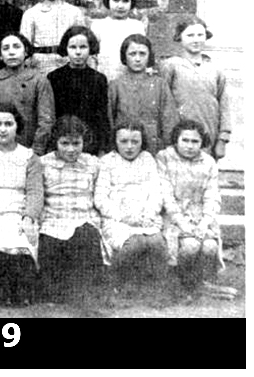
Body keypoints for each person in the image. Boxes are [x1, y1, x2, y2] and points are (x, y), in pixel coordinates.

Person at [94, 120, 182, 298]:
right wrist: (123, 216)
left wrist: (150, 212)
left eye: (135, 142)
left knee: (157, 243)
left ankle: (157, 288)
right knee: (134, 244)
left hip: (145, 216)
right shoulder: (107, 162)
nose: (129, 147)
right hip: (118, 219)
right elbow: (100, 198)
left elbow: (156, 192)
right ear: (115, 141)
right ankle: (117, 282)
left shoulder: (147, 159)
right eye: (124, 141)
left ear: (142, 142)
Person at [0, 104, 43, 305]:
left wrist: (29, 218)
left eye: (8, 124)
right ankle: (0, 290)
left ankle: (21, 291)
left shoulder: (30, 157)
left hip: (20, 214)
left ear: (17, 127)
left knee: (22, 247)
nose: (3, 129)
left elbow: (34, 191)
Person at [38, 116, 105, 305]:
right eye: (64, 143)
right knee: (51, 243)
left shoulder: (92, 163)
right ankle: (55, 296)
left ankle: (85, 296)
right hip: (54, 217)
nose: (70, 149)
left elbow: (98, 194)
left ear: (84, 142)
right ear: (56, 142)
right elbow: (39, 196)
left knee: (87, 236)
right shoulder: (44, 164)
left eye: (76, 143)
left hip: (83, 216)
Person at [157, 120, 223, 296]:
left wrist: (204, 222)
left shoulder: (208, 162)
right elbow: (166, 196)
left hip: (200, 214)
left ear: (202, 143)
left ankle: (201, 282)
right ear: (176, 140)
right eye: (185, 140)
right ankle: (181, 283)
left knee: (209, 245)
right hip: (173, 215)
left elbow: (212, 196)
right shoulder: (164, 157)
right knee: (190, 245)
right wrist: (182, 223)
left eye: (195, 142)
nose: (189, 146)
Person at [160, 16, 231, 160]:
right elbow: (163, 101)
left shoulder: (215, 69)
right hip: (179, 134)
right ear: (179, 37)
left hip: (208, 131)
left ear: (206, 36)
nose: (196, 39)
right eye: (190, 35)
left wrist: (223, 138)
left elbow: (224, 105)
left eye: (200, 35)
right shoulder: (170, 65)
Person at [108, 34, 177, 154]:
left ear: (149, 56)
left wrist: (168, 147)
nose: (137, 59)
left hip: (154, 146)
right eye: (132, 54)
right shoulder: (116, 85)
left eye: (142, 54)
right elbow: (109, 118)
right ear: (124, 56)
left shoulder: (160, 84)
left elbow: (169, 118)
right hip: (125, 146)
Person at [0, 32, 55, 155]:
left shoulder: (38, 80)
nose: (11, 52)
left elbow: (46, 120)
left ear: (25, 52)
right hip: (0, 149)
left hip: (29, 147)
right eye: (6, 48)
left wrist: (36, 151)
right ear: (0, 56)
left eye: (16, 47)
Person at [47, 26, 110, 155]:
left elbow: (102, 117)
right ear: (66, 49)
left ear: (90, 48)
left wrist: (102, 148)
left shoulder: (98, 79)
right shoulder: (54, 77)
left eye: (83, 47)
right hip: (62, 142)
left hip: (90, 142)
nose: (78, 52)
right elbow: (51, 114)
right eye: (72, 47)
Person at [20, 0, 86, 74]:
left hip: (68, 63)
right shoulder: (30, 14)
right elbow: (25, 47)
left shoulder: (74, 12)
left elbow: (83, 41)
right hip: (40, 66)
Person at [90, 0, 145, 81]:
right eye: (116, 0)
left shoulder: (137, 26)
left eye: (125, 1)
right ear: (108, 0)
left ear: (131, 3)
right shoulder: (98, 25)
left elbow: (142, 54)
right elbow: (93, 57)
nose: (120, 6)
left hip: (129, 79)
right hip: (105, 77)